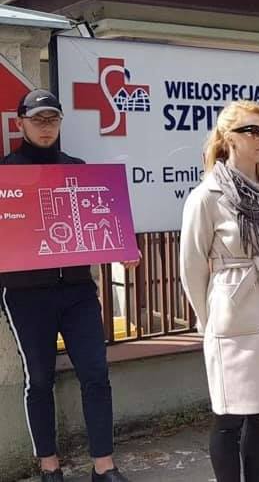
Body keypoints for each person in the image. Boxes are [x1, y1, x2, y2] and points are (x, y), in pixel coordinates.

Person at [0, 89, 138, 482]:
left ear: (61, 122)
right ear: (20, 123)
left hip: (78, 291)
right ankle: (49, 466)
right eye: (37, 119)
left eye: (52, 119)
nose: (45, 127)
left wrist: (124, 247)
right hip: (24, 295)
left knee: (95, 372)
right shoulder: (5, 172)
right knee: (39, 379)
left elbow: (103, 221)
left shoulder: (78, 169)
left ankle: (103, 465)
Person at [179, 100, 259, 482]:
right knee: (229, 414)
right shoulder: (207, 196)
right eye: (253, 130)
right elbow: (191, 266)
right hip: (233, 309)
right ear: (228, 137)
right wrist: (209, 320)